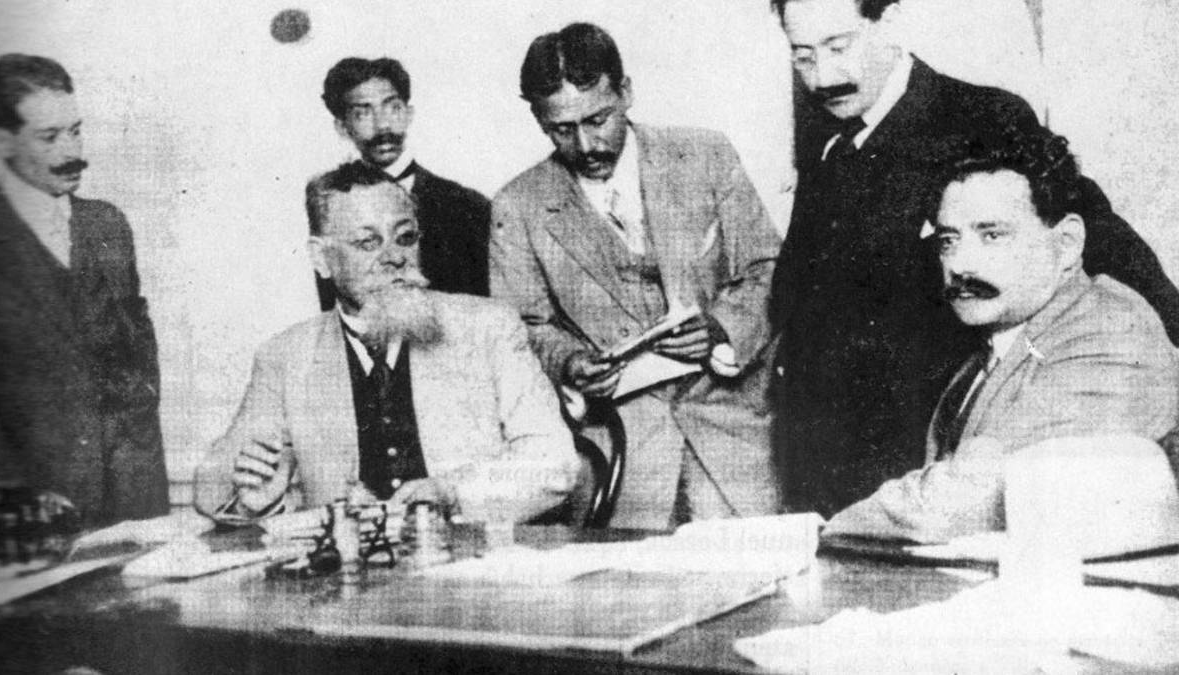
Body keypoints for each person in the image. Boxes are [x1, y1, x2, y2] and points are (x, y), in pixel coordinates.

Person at [768, 0, 1179, 516]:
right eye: (803, 56)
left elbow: (1103, 247)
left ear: (888, 21)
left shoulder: (980, 115)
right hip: (838, 476)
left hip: (946, 474)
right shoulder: (831, 142)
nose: (824, 77)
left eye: (838, 47)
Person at [490, 23, 782, 529]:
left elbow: (768, 267)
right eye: (562, 129)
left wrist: (720, 328)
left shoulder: (706, 156)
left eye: (597, 119)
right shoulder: (517, 207)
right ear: (538, 119)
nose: (586, 144)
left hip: (738, 442)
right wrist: (570, 362)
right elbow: (524, 328)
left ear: (625, 92)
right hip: (624, 461)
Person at [822, 131, 1179, 541]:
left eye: (992, 235)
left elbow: (966, 497)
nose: (960, 265)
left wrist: (824, 531)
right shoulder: (1004, 339)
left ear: (1066, 244)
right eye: (949, 240)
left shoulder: (1112, 334)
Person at [194, 165, 577, 524]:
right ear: (321, 258)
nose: (394, 257)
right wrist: (258, 499)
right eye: (367, 242)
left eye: (405, 237)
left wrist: (452, 493)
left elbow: (555, 462)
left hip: (468, 559)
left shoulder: (487, 327)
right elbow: (211, 489)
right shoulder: (285, 357)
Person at [0, 54, 169, 525]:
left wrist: (143, 478)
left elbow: (137, 353)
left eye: (76, 131)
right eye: (49, 138)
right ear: (3, 142)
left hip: (132, 499)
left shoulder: (107, 225)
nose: (72, 152)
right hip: (29, 516)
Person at [315, 56, 490, 308]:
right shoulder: (330, 209)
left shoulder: (468, 207)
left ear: (409, 114)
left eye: (393, 108)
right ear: (342, 127)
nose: (383, 125)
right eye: (363, 113)